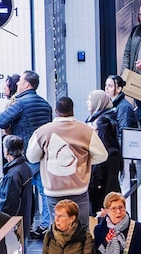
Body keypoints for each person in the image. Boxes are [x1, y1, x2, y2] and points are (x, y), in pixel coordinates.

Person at [28, 96, 110, 232]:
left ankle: (60, 252)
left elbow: (32, 157)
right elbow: (103, 155)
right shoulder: (85, 130)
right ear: (73, 110)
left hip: (53, 190)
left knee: (57, 229)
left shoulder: (43, 131)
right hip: (79, 188)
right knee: (82, 229)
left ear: (56, 111)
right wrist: (86, 161)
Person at [0, 70, 55, 144]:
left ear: (26, 84)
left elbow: (0, 121)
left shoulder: (20, 103)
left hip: (24, 148)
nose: (17, 83)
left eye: (20, 81)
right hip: (42, 148)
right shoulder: (46, 105)